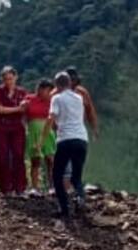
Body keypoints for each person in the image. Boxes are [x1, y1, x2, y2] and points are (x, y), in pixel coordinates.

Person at [47, 70, 89, 225]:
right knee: (76, 176)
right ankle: (80, 198)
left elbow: (51, 118)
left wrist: (43, 138)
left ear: (57, 85)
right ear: (70, 83)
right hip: (82, 139)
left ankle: (64, 209)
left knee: (57, 176)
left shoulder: (56, 98)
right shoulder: (79, 98)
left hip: (65, 140)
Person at [0, 65, 29, 197]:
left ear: (15, 78)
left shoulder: (22, 92)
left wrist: (15, 110)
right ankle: (6, 188)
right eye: (6, 79)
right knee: (2, 157)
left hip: (17, 127)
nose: (8, 81)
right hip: (1, 126)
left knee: (18, 155)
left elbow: (26, 108)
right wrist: (17, 109)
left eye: (11, 79)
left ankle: (20, 187)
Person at [25, 78, 56, 196]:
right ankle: (34, 187)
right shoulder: (29, 99)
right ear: (40, 89)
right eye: (47, 90)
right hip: (33, 131)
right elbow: (23, 115)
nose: (49, 93)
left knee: (50, 159)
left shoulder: (52, 101)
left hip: (48, 132)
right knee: (35, 160)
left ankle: (52, 186)